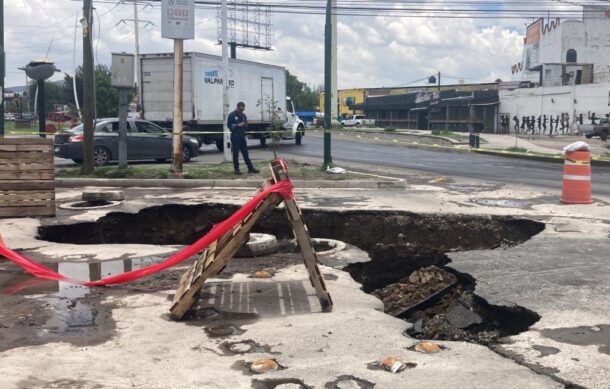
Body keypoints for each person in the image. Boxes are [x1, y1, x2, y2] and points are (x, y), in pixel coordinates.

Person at [227, 102, 260, 175]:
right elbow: (229, 126)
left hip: (242, 136)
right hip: (235, 136)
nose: (241, 111)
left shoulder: (243, 115)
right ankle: (236, 169)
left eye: (243, 109)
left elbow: (245, 126)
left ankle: (250, 168)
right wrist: (238, 125)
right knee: (235, 153)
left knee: (245, 152)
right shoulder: (232, 115)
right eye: (240, 109)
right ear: (237, 107)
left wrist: (246, 124)